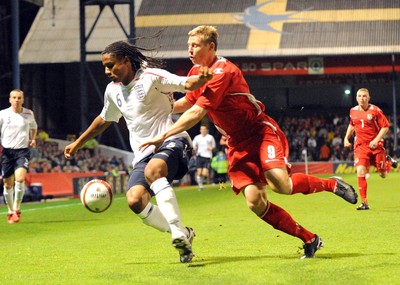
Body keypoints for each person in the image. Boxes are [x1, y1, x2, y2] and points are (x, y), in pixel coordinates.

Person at [139, 25, 358, 259]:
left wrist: (164, 135)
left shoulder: (223, 71)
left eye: (195, 45)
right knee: (255, 202)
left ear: (210, 47)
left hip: (260, 133)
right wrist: (158, 107)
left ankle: (331, 185)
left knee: (281, 185)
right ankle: (310, 239)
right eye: (188, 46)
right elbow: (187, 103)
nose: (189, 50)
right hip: (237, 144)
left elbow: (197, 112)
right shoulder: (196, 72)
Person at [63, 39, 212, 263]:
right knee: (134, 200)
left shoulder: (151, 76)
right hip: (144, 153)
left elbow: (185, 84)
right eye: (104, 66)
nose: (107, 71)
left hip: (172, 141)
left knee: (154, 171)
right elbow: (105, 119)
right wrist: (79, 142)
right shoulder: (113, 90)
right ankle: (184, 233)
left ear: (126, 61)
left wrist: (200, 79)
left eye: (111, 65)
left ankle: (176, 231)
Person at [344, 88, 398, 210]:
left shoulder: (375, 111)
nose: (362, 98)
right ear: (356, 98)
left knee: (383, 174)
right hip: (360, 146)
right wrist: (346, 138)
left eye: (364, 96)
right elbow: (352, 125)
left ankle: (388, 161)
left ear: (369, 98)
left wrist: (376, 140)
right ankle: (364, 202)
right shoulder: (353, 111)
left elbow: (385, 127)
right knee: (360, 171)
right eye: (359, 96)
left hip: (376, 146)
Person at [0, 89, 38, 224]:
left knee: (20, 179)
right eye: (14, 98)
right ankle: (10, 211)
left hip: (22, 151)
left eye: (19, 98)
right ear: (10, 99)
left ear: (23, 99)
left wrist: (32, 139)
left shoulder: (28, 114)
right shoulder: (3, 114)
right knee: (7, 184)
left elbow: (34, 127)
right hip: (7, 153)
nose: (16, 100)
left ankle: (17, 208)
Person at [192, 125, 216, 190]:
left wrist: (211, 148)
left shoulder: (210, 137)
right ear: (200, 130)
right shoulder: (197, 137)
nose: (203, 130)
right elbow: (193, 145)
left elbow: (214, 146)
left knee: (204, 173)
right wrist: (194, 147)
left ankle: (209, 180)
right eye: (202, 129)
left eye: (204, 129)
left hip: (207, 156)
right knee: (199, 172)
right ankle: (200, 186)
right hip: (199, 156)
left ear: (206, 130)